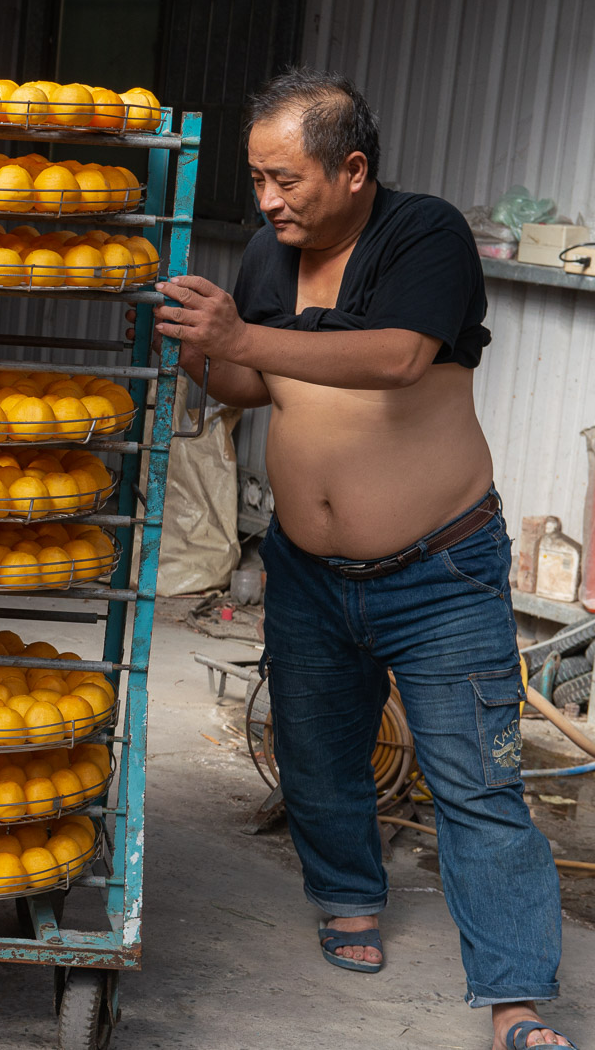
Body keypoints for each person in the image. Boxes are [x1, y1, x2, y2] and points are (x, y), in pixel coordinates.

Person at [149, 68, 572, 1050]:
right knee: (316, 748)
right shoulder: (267, 253)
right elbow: (256, 383)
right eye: (255, 181)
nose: (266, 201)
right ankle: (346, 894)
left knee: (476, 777)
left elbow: (396, 359)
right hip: (305, 568)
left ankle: (515, 1000)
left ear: (351, 170)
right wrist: (198, 346)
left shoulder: (423, 234)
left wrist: (242, 332)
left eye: (284, 180)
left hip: (440, 568)